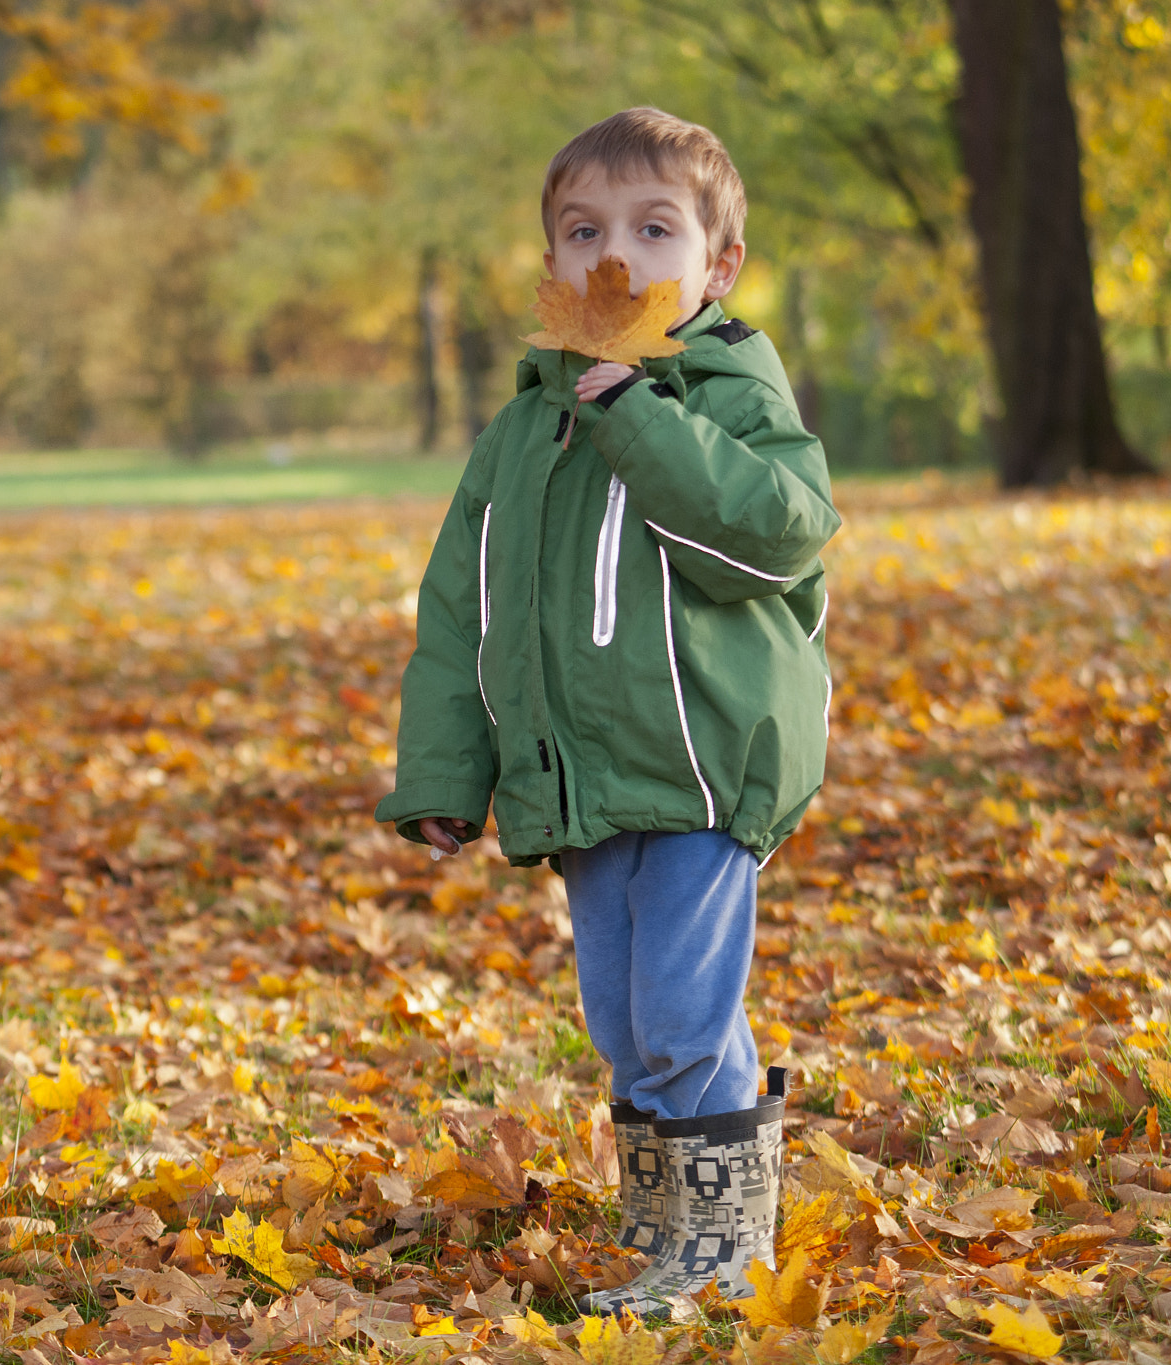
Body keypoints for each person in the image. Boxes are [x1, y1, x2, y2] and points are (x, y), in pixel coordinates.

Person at [373, 109, 839, 1314]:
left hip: (699, 767)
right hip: (580, 774)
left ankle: (723, 1241)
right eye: (581, 231)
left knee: (684, 1015)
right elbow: (463, 611)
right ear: (550, 262)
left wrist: (638, 412)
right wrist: (443, 772)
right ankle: (666, 1219)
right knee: (622, 1023)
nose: (612, 259)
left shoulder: (730, 391)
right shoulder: (523, 430)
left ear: (714, 265)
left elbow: (772, 539)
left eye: (651, 229)